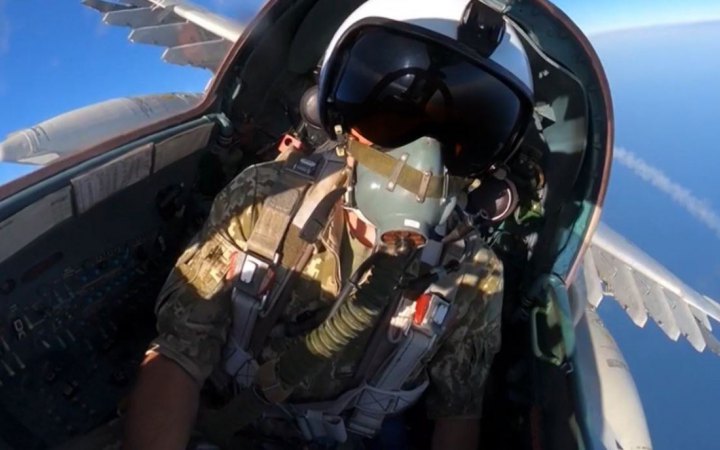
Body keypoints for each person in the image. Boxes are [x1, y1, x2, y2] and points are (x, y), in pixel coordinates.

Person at [123, 0, 534, 448]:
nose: (421, 159)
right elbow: (180, 354)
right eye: (391, 115)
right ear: (341, 120)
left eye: (461, 138)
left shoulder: (473, 276)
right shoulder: (264, 200)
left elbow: (457, 414)